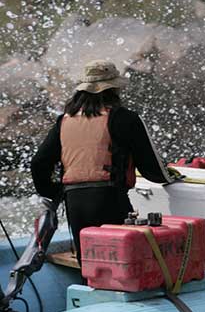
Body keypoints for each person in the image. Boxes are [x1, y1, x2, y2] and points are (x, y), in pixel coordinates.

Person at [30, 60, 177, 261]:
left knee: (89, 261)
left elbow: (38, 162)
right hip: (109, 198)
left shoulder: (64, 120)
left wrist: (52, 190)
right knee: (120, 259)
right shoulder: (125, 118)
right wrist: (170, 178)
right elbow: (151, 166)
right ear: (113, 89)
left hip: (75, 203)